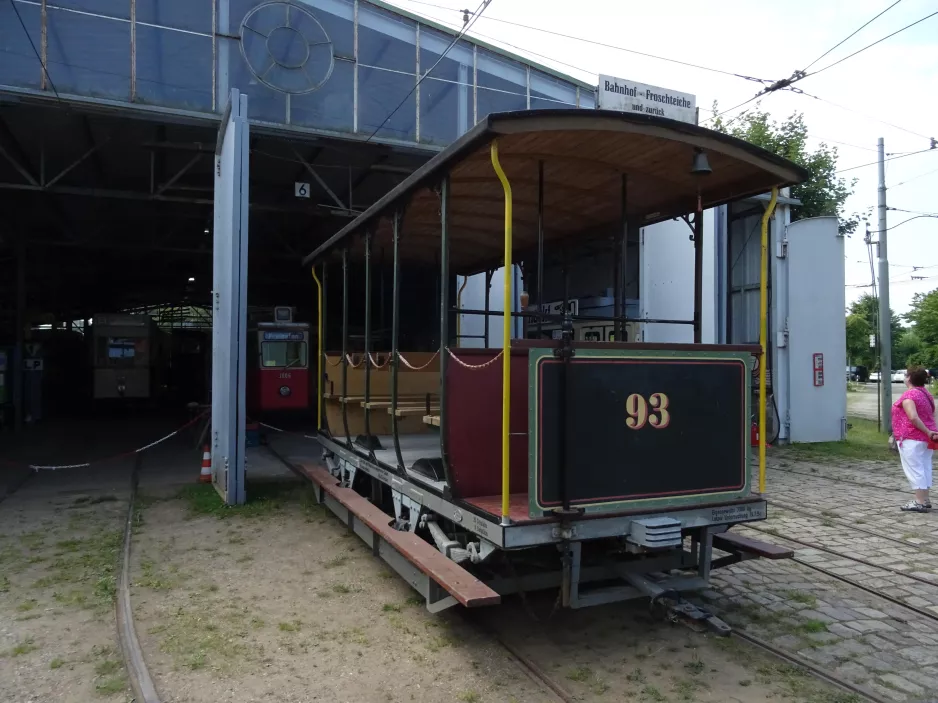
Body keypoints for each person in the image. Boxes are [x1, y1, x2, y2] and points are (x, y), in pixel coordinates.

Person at [891, 366, 938, 512]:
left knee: (915, 469)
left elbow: (913, 417)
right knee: (924, 467)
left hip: (912, 437)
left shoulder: (909, 395)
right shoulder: (926, 394)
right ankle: (925, 498)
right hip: (926, 438)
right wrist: (930, 431)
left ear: (910, 378)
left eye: (906, 375)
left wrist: (927, 431)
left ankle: (919, 502)